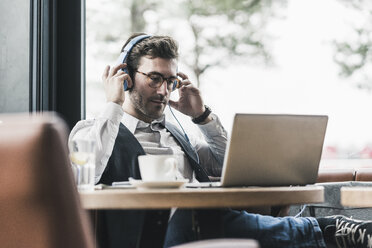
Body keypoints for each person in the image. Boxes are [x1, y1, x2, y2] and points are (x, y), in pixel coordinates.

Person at [70, 33, 372, 248]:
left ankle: (331, 231)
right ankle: (329, 231)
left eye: (171, 81)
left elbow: (235, 165)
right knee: (194, 214)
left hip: (209, 223)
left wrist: (202, 116)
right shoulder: (93, 129)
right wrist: (112, 105)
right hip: (148, 236)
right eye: (154, 78)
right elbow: (84, 174)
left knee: (210, 213)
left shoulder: (179, 135)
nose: (164, 90)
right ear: (126, 77)